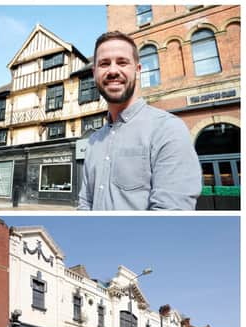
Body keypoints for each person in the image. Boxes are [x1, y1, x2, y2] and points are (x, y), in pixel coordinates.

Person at [78, 31, 201, 210]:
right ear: (94, 72)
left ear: (137, 69)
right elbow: (85, 203)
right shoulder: (93, 142)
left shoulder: (167, 129)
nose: (113, 70)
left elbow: (171, 212)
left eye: (122, 62)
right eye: (104, 64)